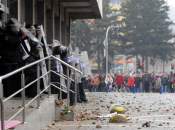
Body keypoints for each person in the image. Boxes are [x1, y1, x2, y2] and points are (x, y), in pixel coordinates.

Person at [2, 19, 27, 97]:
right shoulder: (5, 35)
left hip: (16, 60)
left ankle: (16, 92)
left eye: (15, 27)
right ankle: (9, 93)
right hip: (8, 60)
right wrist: (22, 37)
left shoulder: (15, 33)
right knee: (8, 78)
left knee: (16, 77)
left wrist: (23, 34)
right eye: (13, 27)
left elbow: (18, 36)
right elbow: (12, 42)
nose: (14, 28)